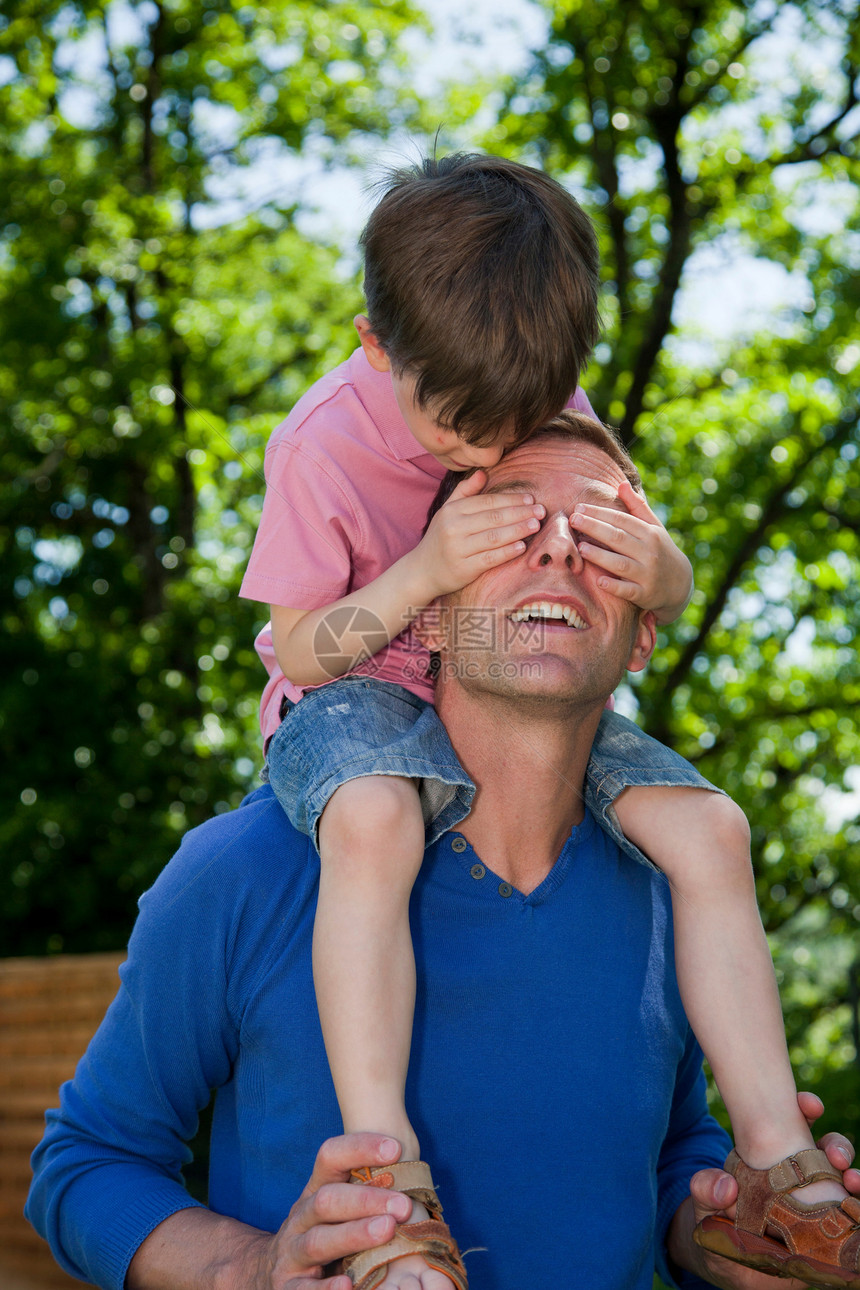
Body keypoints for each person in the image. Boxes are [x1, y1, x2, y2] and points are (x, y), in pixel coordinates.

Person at [26, 423, 860, 1290]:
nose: (560, 554)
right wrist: (256, 1266)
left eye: (607, 537)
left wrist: (715, 1236)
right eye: (508, 527)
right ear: (424, 612)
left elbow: (664, 1156)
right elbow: (86, 1165)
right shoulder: (251, 868)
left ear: (644, 632)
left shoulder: (678, 889)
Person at [236, 151, 854, 1287]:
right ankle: (387, 1179)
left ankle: (779, 1171)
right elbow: (294, 645)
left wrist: (659, 567)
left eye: (520, 417)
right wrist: (421, 570)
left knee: (710, 829)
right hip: (357, 697)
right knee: (374, 820)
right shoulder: (319, 444)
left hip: (504, 697)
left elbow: (651, 595)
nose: (488, 448)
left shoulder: (532, 388)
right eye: (461, 424)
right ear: (379, 347)